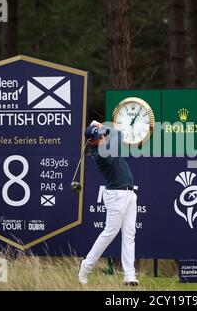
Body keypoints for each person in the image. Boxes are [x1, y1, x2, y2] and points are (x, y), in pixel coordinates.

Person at [78, 121, 139, 286]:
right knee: (109, 233)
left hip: (129, 194)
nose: (102, 138)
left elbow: (112, 134)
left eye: (101, 136)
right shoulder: (102, 154)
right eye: (98, 138)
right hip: (116, 196)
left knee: (129, 235)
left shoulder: (101, 145)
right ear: (92, 142)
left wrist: (99, 128)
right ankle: (86, 266)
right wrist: (100, 126)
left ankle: (129, 275)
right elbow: (119, 134)